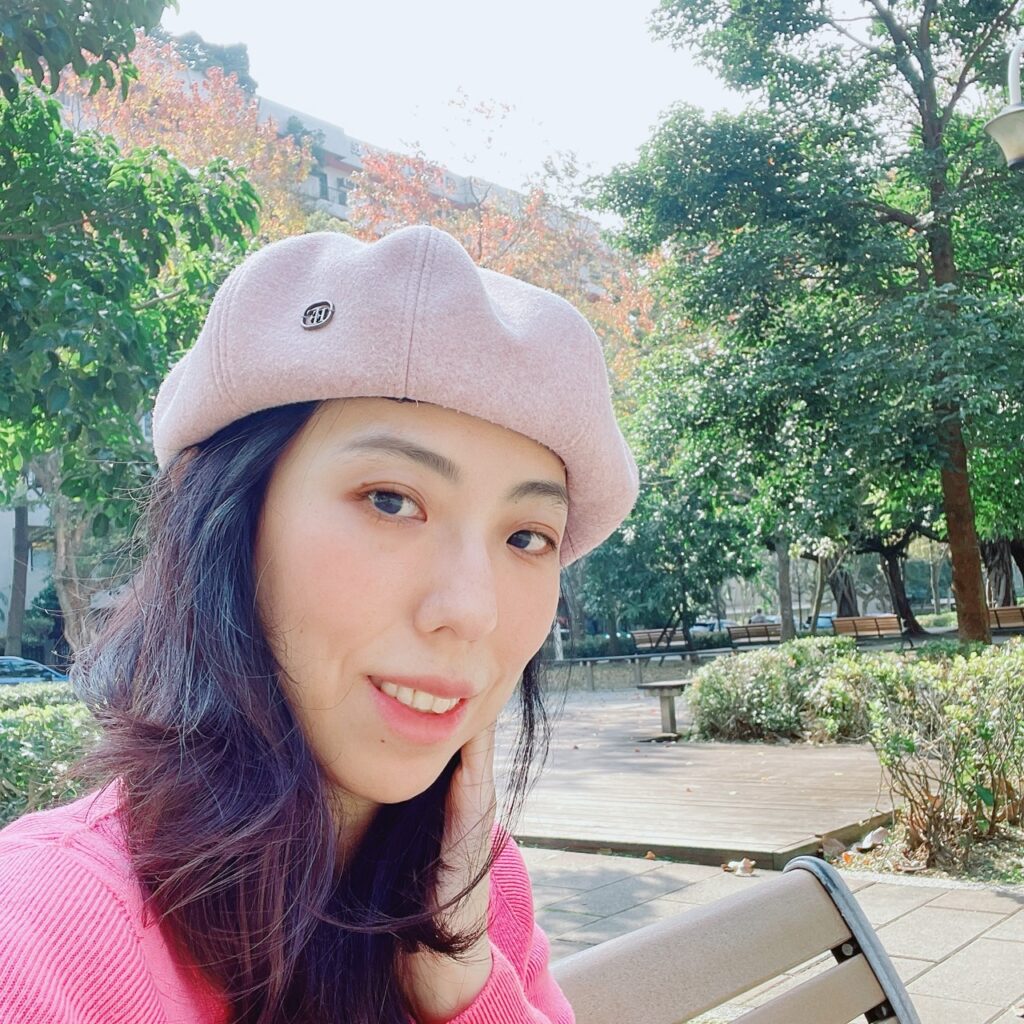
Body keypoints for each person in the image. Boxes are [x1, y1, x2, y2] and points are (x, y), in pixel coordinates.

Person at [0, 226, 638, 1023]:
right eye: (391, 500)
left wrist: (465, 986)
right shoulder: (35, 940)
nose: (473, 611)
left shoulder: (472, 876)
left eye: (526, 538)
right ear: (227, 524)